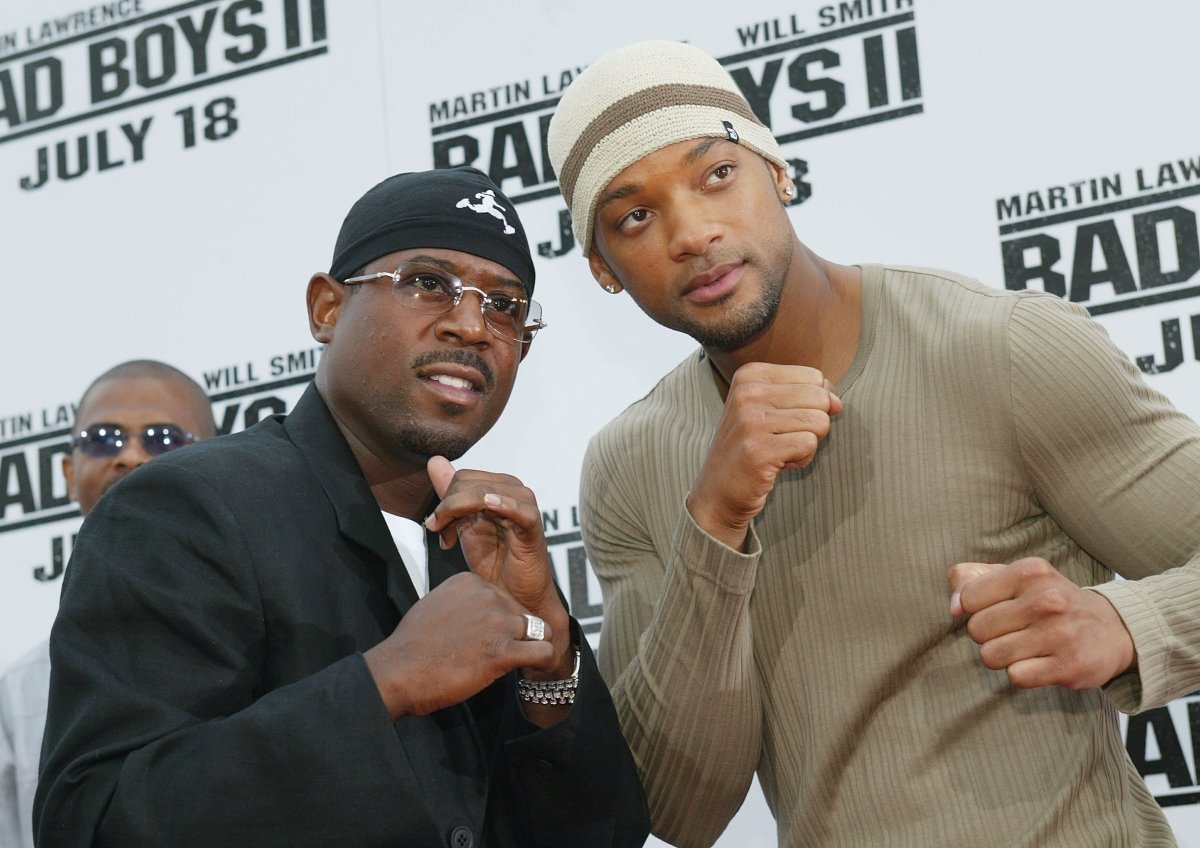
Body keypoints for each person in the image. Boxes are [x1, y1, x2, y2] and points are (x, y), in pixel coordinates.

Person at [546, 39, 1200, 847]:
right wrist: (712, 522)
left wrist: (1126, 624)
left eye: (716, 173)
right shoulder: (630, 465)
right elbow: (682, 810)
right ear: (605, 269)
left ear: (778, 171)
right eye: (635, 215)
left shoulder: (999, 349)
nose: (692, 232)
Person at [34, 167, 650, 848]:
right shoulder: (184, 508)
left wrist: (550, 656)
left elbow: (606, 834)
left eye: (505, 307)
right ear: (327, 309)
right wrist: (385, 682)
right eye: (427, 282)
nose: (474, 324)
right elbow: (95, 821)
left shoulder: (486, 543)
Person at [0, 360, 217, 848]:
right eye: (104, 438)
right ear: (68, 472)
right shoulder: (20, 695)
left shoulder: (288, 630)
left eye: (163, 438)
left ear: (221, 457)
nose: (131, 456)